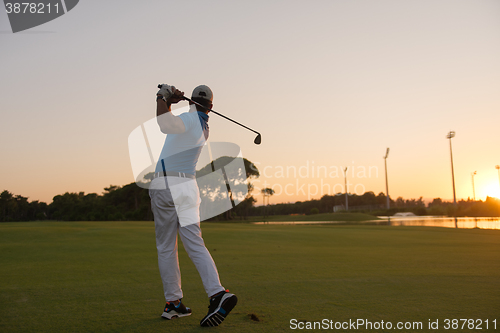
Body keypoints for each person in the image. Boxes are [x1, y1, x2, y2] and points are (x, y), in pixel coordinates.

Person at [149, 84, 237, 327]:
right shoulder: (201, 125)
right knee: (195, 243)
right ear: (210, 106)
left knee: (166, 246)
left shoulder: (188, 118)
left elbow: (165, 124)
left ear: (191, 101)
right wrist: (168, 102)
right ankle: (214, 293)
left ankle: (174, 301)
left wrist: (162, 97)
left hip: (167, 186)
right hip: (187, 186)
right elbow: (170, 122)